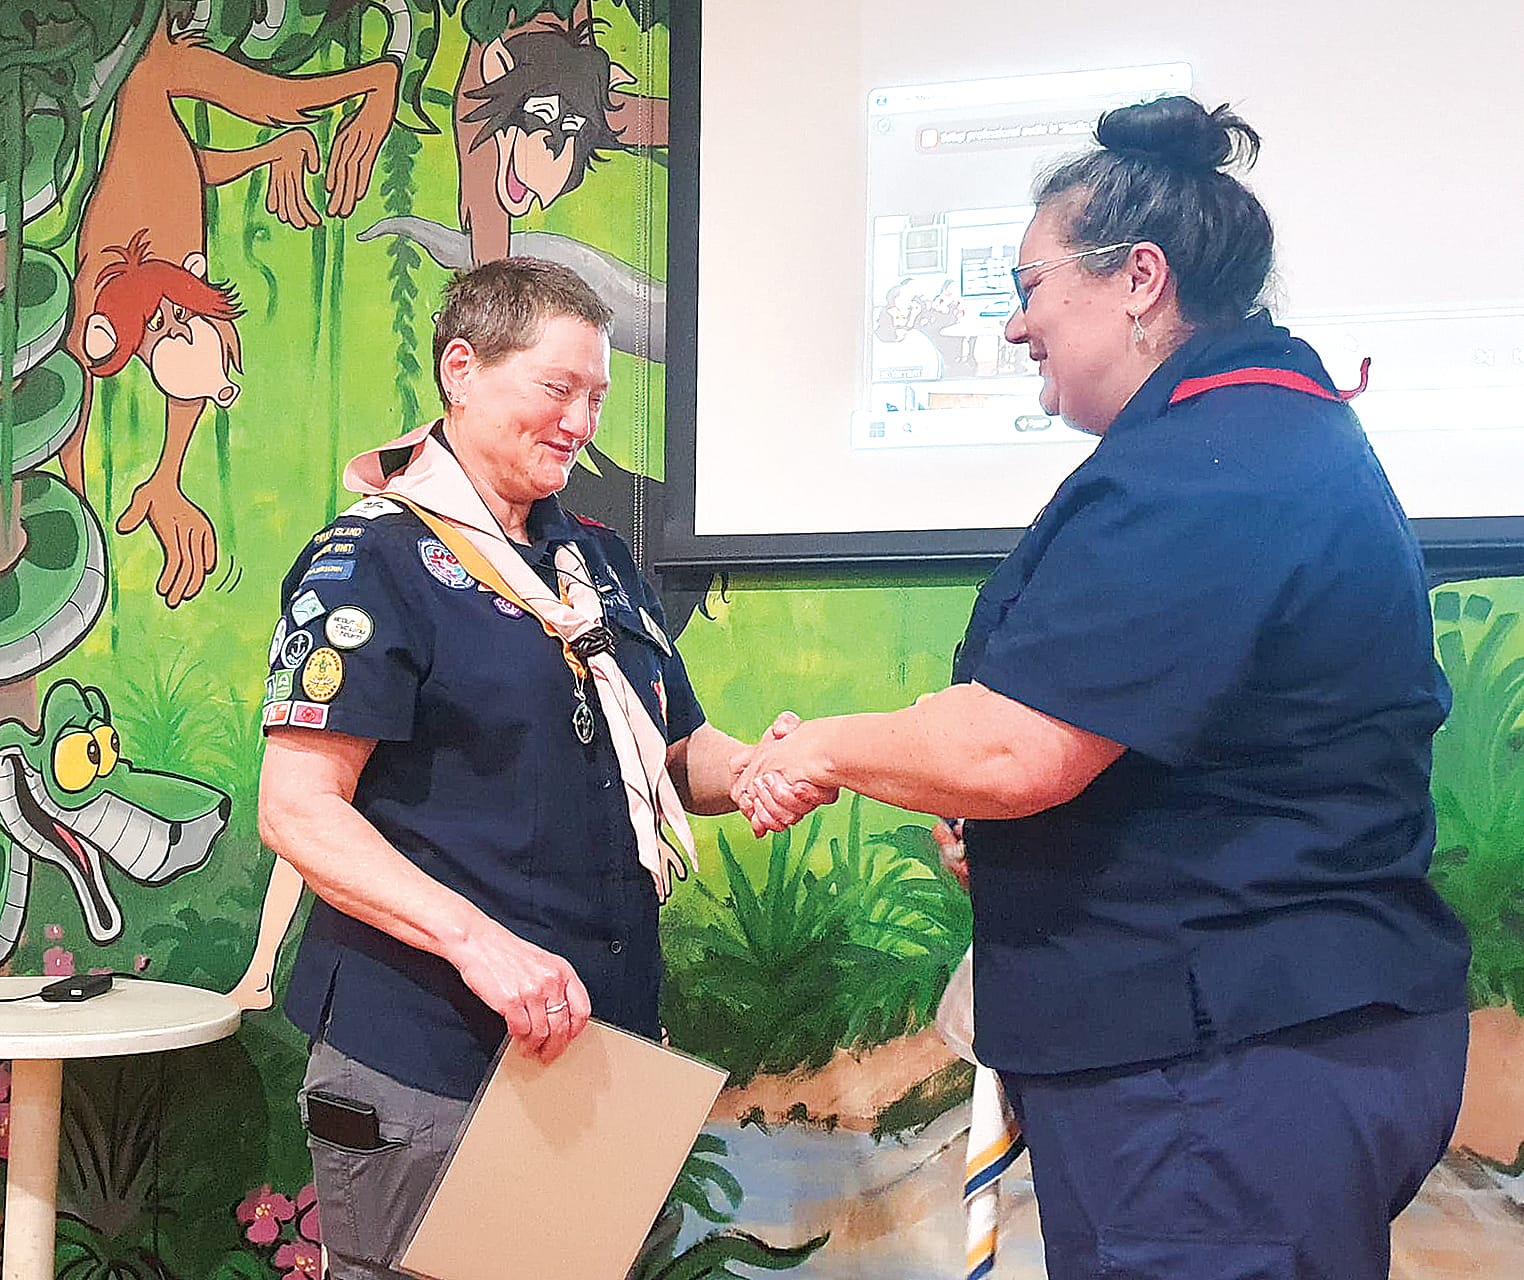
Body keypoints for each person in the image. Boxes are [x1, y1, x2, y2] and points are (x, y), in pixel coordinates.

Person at [733, 97, 1470, 1280]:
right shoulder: (1247, 439)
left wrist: (818, 745)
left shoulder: (1212, 465)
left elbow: (1016, 750)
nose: (1018, 324)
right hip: (1221, 1053)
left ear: (1138, 278)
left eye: (1027, 285)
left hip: (1219, 1069)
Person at [257, 258, 825, 1280]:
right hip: (429, 1049)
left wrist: (748, 769)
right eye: (558, 388)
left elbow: (669, 747)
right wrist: (482, 946)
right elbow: (299, 809)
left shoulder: (593, 560)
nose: (581, 421)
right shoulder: (370, 560)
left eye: (598, 396)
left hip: (591, 1044)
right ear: (462, 371)